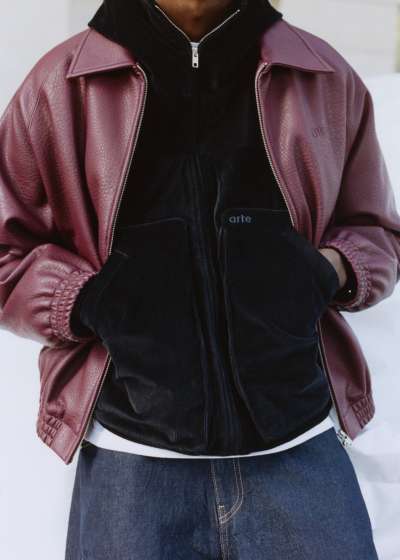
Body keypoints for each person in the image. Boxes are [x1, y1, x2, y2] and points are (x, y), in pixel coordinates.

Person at [0, 0, 398, 558]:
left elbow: (377, 231)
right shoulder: (58, 87)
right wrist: (89, 298)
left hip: (300, 453)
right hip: (131, 467)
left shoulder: (323, 76)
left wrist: (324, 270)